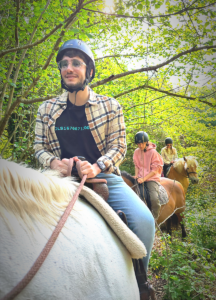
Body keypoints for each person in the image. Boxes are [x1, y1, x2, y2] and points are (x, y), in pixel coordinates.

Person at [34, 39, 155, 298]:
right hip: (57, 180)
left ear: (89, 71)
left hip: (103, 178)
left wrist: (98, 166)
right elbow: (38, 148)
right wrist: (54, 162)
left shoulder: (111, 106)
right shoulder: (46, 109)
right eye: (64, 64)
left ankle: (139, 284)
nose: (69, 68)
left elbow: (119, 147)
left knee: (145, 222)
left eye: (76, 63)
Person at [133, 131, 163, 220]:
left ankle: (154, 221)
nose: (140, 145)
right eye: (138, 144)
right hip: (139, 178)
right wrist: (135, 175)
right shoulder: (136, 152)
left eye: (142, 143)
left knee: (154, 199)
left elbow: (155, 170)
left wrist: (144, 179)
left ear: (146, 142)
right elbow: (137, 165)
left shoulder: (153, 152)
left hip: (151, 178)